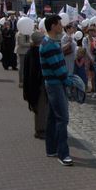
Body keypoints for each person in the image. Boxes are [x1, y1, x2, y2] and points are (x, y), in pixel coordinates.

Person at [40, 15, 74, 166]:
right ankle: (63, 153)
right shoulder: (49, 44)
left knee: (53, 117)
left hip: (54, 83)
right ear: (53, 26)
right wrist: (68, 81)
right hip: (55, 84)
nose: (61, 26)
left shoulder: (52, 42)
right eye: (59, 24)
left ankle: (51, 148)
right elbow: (58, 68)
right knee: (62, 119)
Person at [22, 31, 47, 139]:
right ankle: (40, 130)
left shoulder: (31, 52)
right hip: (37, 85)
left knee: (41, 109)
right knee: (41, 109)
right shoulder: (36, 53)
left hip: (34, 85)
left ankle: (41, 128)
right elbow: (34, 71)